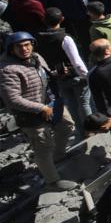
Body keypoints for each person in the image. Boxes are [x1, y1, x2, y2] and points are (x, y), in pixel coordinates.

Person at [0, 32, 77, 190]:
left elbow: (45, 75)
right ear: (11, 49)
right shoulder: (7, 70)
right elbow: (13, 99)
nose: (24, 49)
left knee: (67, 125)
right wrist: (41, 108)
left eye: (27, 44)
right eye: (19, 46)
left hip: (51, 102)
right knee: (43, 146)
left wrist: (57, 74)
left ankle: (58, 156)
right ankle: (52, 181)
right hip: (30, 115)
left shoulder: (36, 57)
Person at [36, 8, 91, 136]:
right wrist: (87, 75)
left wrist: (52, 72)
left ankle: (80, 130)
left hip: (58, 76)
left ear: (44, 21)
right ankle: (90, 128)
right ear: (62, 19)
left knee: (71, 105)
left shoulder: (39, 38)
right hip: (75, 75)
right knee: (84, 103)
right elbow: (76, 61)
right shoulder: (65, 38)